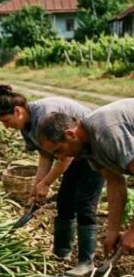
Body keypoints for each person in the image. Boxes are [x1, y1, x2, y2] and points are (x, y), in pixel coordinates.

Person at [0, 86, 103, 276]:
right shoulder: (27, 125)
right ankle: (61, 254)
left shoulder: (45, 117)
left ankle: (86, 262)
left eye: (6, 121)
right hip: (72, 153)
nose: (5, 126)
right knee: (65, 200)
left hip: (94, 149)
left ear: (17, 111)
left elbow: (64, 156)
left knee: (84, 203)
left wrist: (46, 184)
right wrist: (37, 188)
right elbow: (46, 155)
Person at [37, 99, 134, 256]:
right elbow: (115, 182)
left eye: (58, 150)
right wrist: (112, 231)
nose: (60, 157)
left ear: (70, 135)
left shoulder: (106, 133)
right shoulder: (88, 147)